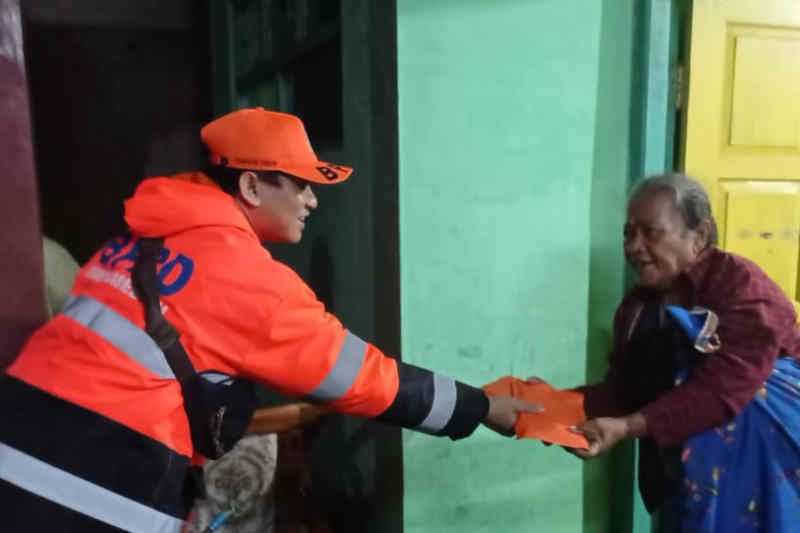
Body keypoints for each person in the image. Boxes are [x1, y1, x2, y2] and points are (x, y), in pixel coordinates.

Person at [0, 108, 539, 533]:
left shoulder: (137, 245)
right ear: (253, 188)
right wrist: (482, 407)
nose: (312, 201)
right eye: (299, 185)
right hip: (93, 485)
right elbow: (365, 379)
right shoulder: (247, 280)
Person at [563, 173, 800, 531]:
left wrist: (628, 427)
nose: (634, 246)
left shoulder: (741, 285)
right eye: (628, 233)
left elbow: (726, 387)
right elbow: (625, 393)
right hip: (690, 485)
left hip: (771, 476)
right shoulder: (637, 309)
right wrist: (550, 407)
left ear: (700, 235)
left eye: (650, 232)